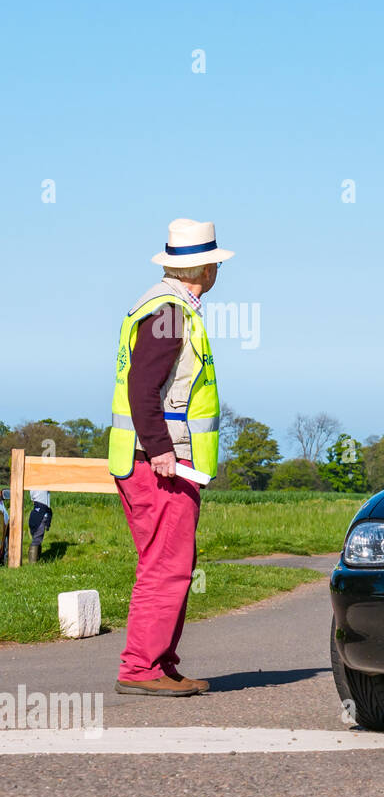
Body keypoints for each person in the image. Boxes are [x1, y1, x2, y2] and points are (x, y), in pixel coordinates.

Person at [107, 218, 232, 697]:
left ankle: (159, 664)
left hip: (149, 459)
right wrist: (160, 450)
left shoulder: (162, 306)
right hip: (161, 463)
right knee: (166, 566)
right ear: (203, 268)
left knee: (169, 563)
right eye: (216, 264)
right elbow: (143, 388)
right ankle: (142, 668)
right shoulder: (171, 312)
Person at [27, 489, 52, 563]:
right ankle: (33, 562)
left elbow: (32, 500)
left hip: (35, 513)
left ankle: (36, 559)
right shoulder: (43, 485)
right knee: (37, 539)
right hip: (41, 514)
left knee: (36, 538)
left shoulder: (32, 488)